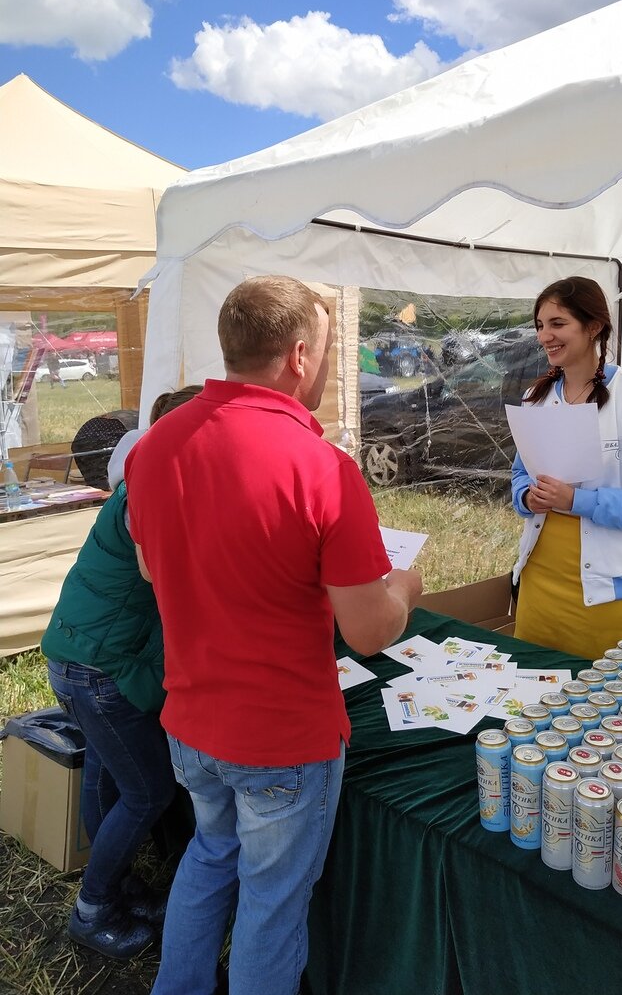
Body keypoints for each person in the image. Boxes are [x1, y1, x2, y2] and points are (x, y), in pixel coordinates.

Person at [124, 275, 423, 995]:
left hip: (192, 720)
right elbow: (369, 631)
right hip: (281, 737)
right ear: (297, 355)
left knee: (208, 857)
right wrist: (404, 589)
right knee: (271, 905)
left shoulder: (155, 445)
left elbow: (148, 562)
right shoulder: (322, 466)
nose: (323, 367)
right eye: (323, 350)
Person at [42, 385, 203, 961]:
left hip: (78, 651)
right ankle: (92, 909)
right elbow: (173, 577)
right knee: (147, 790)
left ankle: (117, 885)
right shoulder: (160, 491)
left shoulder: (145, 477)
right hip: (99, 667)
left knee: (105, 778)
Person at [511, 276, 622, 660]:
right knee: (530, 700)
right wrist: (526, 496)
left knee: (603, 710)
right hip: (540, 583)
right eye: (540, 325)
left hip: (606, 594)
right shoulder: (535, 398)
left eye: (558, 324)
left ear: (593, 327)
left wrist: (577, 501)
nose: (545, 336)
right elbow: (520, 474)